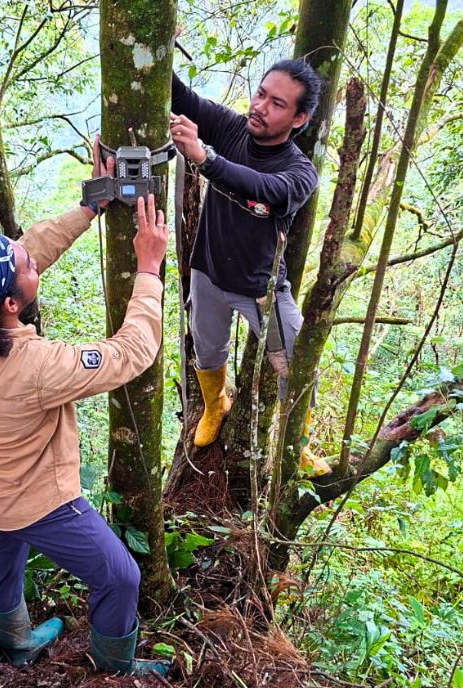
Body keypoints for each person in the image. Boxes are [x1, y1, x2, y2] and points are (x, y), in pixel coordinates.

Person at [0, 155, 171, 676]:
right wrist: (148, 271)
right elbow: (131, 353)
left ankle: (14, 642)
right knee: (120, 576)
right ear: (10, 303)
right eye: (26, 266)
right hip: (34, 499)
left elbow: (25, 252)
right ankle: (115, 671)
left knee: (1, 560)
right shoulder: (34, 366)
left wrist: (87, 209)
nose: (33, 259)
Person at [168, 59, 331, 475]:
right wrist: (163, 43)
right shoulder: (233, 127)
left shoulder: (299, 172)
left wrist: (205, 159)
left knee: (296, 364)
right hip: (207, 272)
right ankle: (214, 405)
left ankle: (297, 440)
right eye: (261, 94)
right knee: (207, 350)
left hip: (261, 286)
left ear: (300, 118)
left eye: (277, 104)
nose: (260, 106)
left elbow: (264, 188)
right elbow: (182, 97)